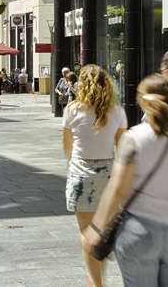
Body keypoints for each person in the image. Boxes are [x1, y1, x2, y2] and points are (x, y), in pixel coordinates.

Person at [84, 74, 168, 287]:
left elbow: (118, 190)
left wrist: (96, 227)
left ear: (141, 102)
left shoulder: (133, 137)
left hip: (140, 230)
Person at [62, 65, 128, 287]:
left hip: (81, 172)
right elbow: (123, 147)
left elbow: (67, 146)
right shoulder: (117, 111)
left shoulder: (72, 109)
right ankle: (99, 277)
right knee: (103, 232)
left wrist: (73, 164)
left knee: (86, 231)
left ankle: (96, 282)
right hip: (108, 174)